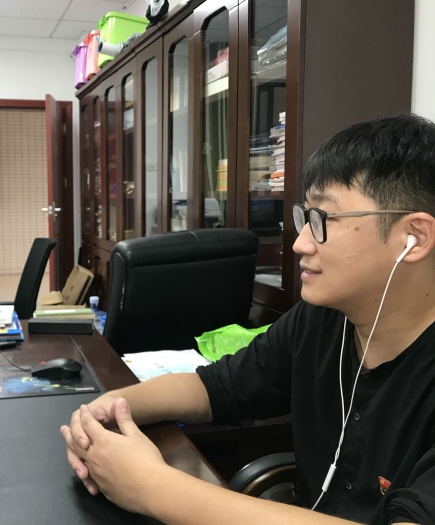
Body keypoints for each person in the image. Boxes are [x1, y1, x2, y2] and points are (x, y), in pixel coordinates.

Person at [60, 113, 435, 524]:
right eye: (304, 217)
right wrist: (106, 409)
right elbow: (213, 388)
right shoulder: (322, 319)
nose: (300, 244)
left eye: (323, 220)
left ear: (414, 237)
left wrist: (151, 487)